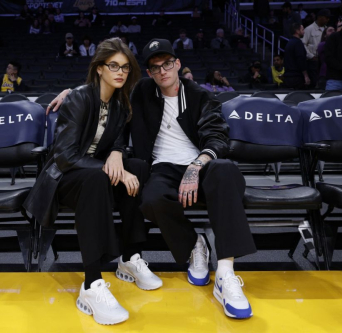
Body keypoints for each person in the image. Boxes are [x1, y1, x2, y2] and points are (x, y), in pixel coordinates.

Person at [48, 38, 256, 320]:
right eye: (155, 67)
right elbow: (104, 89)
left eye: (167, 64)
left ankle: (225, 274)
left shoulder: (201, 96)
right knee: (150, 197)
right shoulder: (142, 92)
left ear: (178, 64)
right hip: (162, 168)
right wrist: (72, 92)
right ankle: (194, 243)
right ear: (148, 72)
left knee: (227, 168)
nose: (162, 71)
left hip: (201, 165)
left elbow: (217, 138)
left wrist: (196, 166)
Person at [24, 38, 162, 325]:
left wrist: (117, 154)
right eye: (113, 66)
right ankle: (91, 283)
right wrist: (111, 168)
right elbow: (63, 157)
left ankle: (130, 257)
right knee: (101, 178)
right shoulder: (78, 98)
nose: (120, 72)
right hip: (63, 178)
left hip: (93, 175)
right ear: (99, 69)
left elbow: (121, 141)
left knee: (137, 166)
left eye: (125, 67)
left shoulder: (121, 105)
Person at [302, 9, 331, 88]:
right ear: (320, 17)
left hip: (325, 62)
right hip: (313, 62)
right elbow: (303, 44)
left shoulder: (328, 30)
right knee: (314, 84)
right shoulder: (309, 29)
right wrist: (311, 56)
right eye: (326, 18)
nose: (328, 20)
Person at [283, 24, 310, 89]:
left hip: (288, 77)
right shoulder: (298, 43)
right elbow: (301, 60)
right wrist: (306, 75)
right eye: (302, 29)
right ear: (297, 31)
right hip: (296, 78)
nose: (304, 31)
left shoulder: (289, 42)